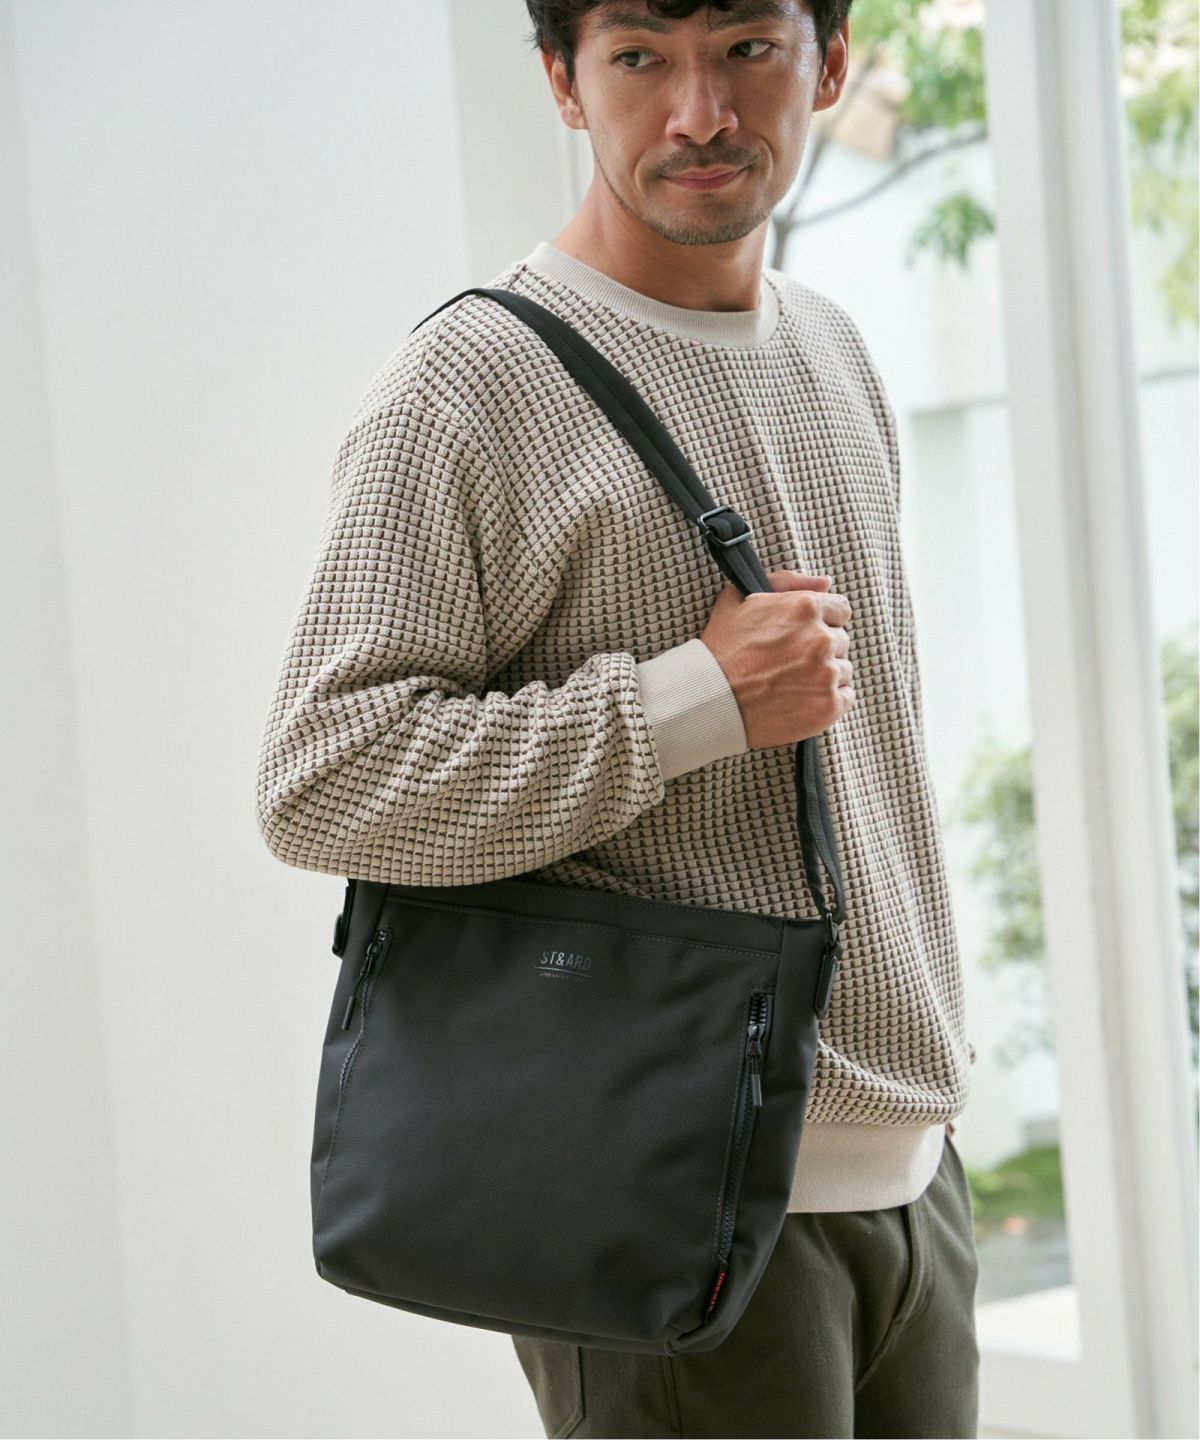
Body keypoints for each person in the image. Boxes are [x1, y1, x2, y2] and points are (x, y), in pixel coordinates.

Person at [255, 0, 980, 1434]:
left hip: (911, 1171)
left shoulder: (832, 349)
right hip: (668, 1194)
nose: (700, 113)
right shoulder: (473, 388)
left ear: (830, 61)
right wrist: (692, 700)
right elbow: (324, 776)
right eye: (640, 57)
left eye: (747, 50)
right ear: (563, 81)